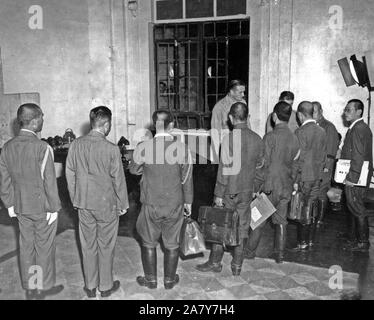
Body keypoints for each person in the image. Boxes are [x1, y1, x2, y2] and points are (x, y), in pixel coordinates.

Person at [0, 103, 64, 300]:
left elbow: (4, 179)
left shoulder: (7, 147)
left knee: (27, 246)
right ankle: (41, 289)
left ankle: (30, 288)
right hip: (42, 207)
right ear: (35, 120)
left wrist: (10, 204)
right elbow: (50, 182)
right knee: (44, 247)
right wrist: (54, 208)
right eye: (42, 117)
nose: (43, 120)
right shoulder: (42, 147)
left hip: (20, 207)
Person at [65, 106, 129, 298]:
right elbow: (118, 179)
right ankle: (106, 286)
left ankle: (90, 286)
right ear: (107, 124)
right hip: (106, 205)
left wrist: (75, 199)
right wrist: (123, 204)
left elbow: (69, 173)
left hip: (83, 203)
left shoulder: (75, 145)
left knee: (87, 245)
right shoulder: (111, 148)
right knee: (106, 245)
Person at [196, 102, 264, 276]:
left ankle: (215, 262)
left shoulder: (229, 139)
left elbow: (224, 169)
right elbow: (261, 167)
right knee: (242, 227)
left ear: (231, 118)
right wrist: (256, 187)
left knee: (220, 225)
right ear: (247, 117)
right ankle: (237, 266)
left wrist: (218, 193)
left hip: (229, 192)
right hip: (247, 191)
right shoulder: (258, 139)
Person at [130, 110, 193, 290]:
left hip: (151, 202)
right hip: (174, 203)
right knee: (172, 242)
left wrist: (147, 171)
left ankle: (150, 281)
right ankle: (169, 281)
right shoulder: (182, 148)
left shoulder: (143, 147)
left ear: (153, 125)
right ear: (172, 126)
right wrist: (188, 201)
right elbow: (187, 177)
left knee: (148, 241)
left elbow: (134, 169)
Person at [263, 102, 300, 263]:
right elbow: (296, 163)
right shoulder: (295, 137)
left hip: (270, 185)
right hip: (286, 185)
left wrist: (258, 186)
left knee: (257, 219)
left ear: (274, 115)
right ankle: (280, 255)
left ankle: (249, 251)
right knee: (281, 220)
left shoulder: (270, 136)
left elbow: (263, 164)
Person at [292, 101, 327, 251]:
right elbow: (323, 157)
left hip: (303, 178)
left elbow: (299, 158)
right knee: (312, 208)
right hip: (316, 177)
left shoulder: (300, 132)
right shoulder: (321, 131)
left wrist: (295, 179)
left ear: (300, 115)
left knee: (302, 209)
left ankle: (302, 243)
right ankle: (310, 241)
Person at [341, 99, 373, 252]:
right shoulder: (359, 127)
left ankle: (363, 243)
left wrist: (352, 178)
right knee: (354, 206)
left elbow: (358, 156)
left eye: (348, 110)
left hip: (356, 178)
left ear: (359, 112)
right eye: (345, 110)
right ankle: (354, 239)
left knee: (357, 207)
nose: (345, 113)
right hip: (358, 176)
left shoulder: (358, 129)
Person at [312, 101, 340, 227]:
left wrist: (327, 167)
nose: (313, 114)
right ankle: (314, 217)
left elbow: (331, 151)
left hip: (324, 167)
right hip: (314, 166)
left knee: (322, 192)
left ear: (321, 111)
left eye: (315, 111)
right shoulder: (313, 125)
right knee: (315, 192)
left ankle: (320, 219)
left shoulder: (329, 127)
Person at [210, 80, 249, 161]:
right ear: (231, 91)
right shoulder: (219, 107)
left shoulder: (243, 103)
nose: (243, 95)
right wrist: (215, 157)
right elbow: (215, 132)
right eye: (240, 92)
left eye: (244, 92)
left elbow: (248, 123)